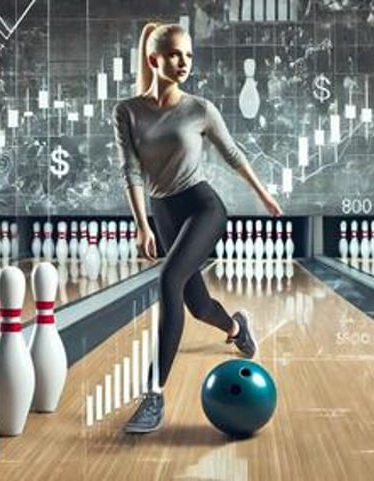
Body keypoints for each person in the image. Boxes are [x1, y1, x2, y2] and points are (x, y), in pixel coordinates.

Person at [112, 22, 283, 433]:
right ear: (154, 59)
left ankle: (152, 395)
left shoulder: (200, 109)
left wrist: (263, 196)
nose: (183, 62)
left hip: (203, 207)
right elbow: (130, 172)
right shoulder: (128, 112)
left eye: (188, 55)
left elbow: (233, 154)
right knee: (197, 304)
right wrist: (142, 226)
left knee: (169, 279)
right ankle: (235, 325)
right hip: (163, 211)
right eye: (174, 55)